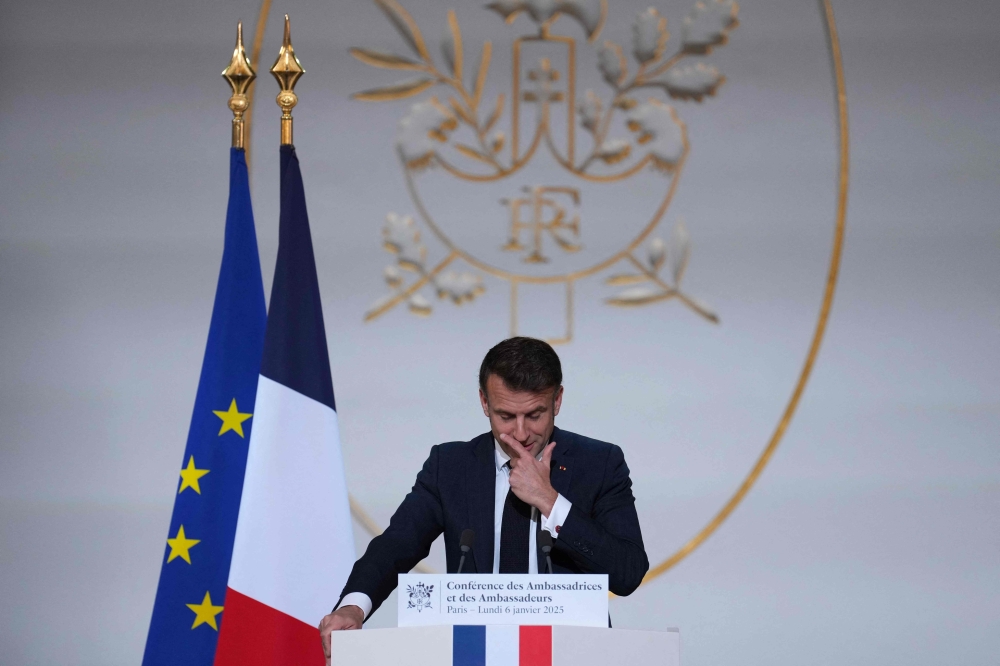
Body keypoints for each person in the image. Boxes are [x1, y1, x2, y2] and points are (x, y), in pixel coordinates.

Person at [319, 337, 648, 657]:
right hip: (472, 653)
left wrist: (550, 500)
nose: (521, 433)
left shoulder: (599, 463)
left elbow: (627, 573)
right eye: (506, 416)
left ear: (557, 401)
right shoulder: (449, 467)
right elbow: (396, 545)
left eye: (535, 414)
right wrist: (353, 607)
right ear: (484, 403)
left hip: (572, 654)